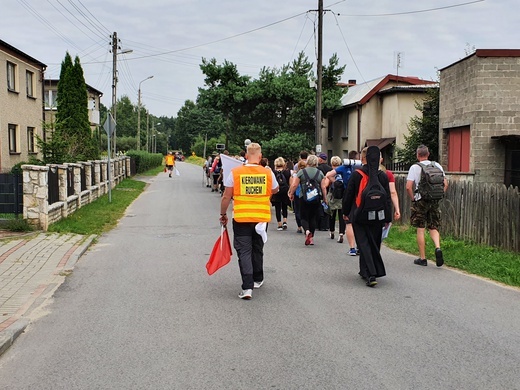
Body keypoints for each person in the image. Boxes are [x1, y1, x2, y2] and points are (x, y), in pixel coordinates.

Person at [220, 142, 279, 300]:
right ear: (260, 156)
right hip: (260, 218)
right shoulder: (267, 173)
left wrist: (223, 214)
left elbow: (226, 196)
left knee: (244, 250)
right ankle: (258, 279)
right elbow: (275, 189)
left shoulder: (235, 172)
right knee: (257, 247)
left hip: (241, 217)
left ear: (246, 156)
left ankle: (247, 287)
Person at [342, 146, 391, 287]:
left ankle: (370, 274)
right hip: (378, 216)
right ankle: (365, 270)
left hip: (360, 214)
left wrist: (346, 212)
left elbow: (348, 195)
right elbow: (387, 197)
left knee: (363, 243)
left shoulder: (357, 174)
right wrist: (387, 218)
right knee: (374, 243)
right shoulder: (382, 175)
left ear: (363, 158)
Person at [406, 145, 448, 267]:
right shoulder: (437, 166)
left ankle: (423, 258)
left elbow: (408, 186)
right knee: (433, 226)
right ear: (428, 154)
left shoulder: (415, 167)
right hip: (434, 200)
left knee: (420, 227)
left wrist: (413, 198)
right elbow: (445, 183)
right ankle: (438, 247)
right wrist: (439, 195)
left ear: (417, 155)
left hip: (421, 201)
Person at [288, 154, 328, 246]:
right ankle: (312, 238)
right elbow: (323, 187)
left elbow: (294, 185)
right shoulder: (320, 173)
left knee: (303, 217)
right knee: (313, 217)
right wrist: (325, 198)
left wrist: (291, 193)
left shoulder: (302, 172)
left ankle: (306, 231)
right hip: (316, 198)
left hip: (304, 198)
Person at [326, 150, 359, 255]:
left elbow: (329, 174)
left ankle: (352, 248)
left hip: (346, 195)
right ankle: (360, 247)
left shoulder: (344, 168)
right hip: (359, 196)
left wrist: (336, 182)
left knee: (348, 221)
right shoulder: (360, 168)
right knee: (358, 223)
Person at [325, 156, 346, 244]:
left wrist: (333, 181)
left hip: (333, 195)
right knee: (341, 215)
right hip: (343, 195)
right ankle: (341, 233)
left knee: (332, 214)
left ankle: (332, 231)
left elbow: (326, 184)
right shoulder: (343, 171)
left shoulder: (331, 172)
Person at [271, 157, 291, 231]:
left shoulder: (273, 172)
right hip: (285, 191)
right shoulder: (287, 172)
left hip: (277, 191)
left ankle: (279, 224)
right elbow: (289, 182)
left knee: (277, 208)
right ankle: (285, 221)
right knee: (284, 206)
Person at [317, 153, 332, 231]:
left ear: (321, 159)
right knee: (327, 207)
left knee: (320, 207)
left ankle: (320, 225)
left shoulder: (318, 169)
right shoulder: (330, 168)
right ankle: (327, 225)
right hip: (329, 190)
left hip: (320, 189)